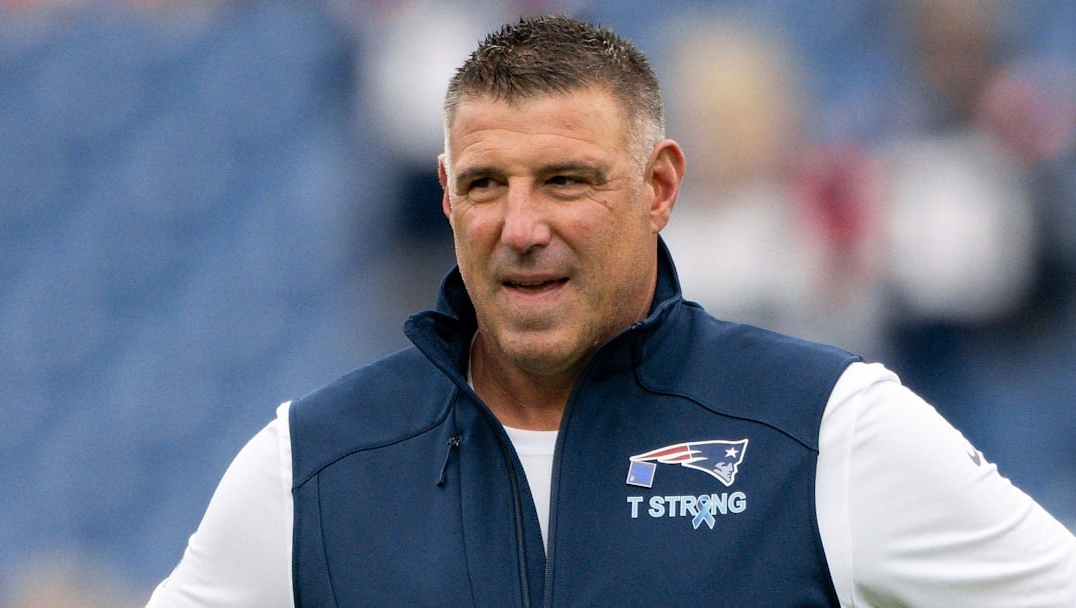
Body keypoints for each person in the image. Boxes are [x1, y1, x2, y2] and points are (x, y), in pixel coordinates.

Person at [146, 14, 1076, 607]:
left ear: (660, 185)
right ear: (443, 196)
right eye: (484, 184)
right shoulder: (310, 466)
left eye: (566, 181)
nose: (521, 227)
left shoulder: (831, 430)